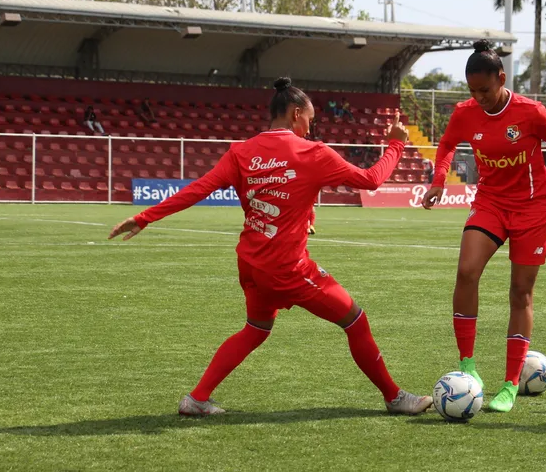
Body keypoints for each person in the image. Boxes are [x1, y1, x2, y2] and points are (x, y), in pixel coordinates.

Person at [108, 77, 430, 417]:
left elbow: (199, 189)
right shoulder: (313, 152)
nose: (310, 127)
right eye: (309, 119)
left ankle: (197, 398)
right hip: (286, 267)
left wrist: (145, 218)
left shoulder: (241, 152)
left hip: (251, 263)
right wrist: (395, 145)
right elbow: (372, 180)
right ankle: (395, 398)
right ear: (295, 114)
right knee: (356, 320)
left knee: (256, 329)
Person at [421, 40, 546, 413]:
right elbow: (446, 144)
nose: (479, 98)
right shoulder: (466, 112)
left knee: (519, 293)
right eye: (472, 91)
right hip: (490, 204)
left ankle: (510, 385)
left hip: (532, 209)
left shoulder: (530, 112)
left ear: (502, 79)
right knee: (466, 271)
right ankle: (468, 367)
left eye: (485, 90)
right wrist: (438, 180)